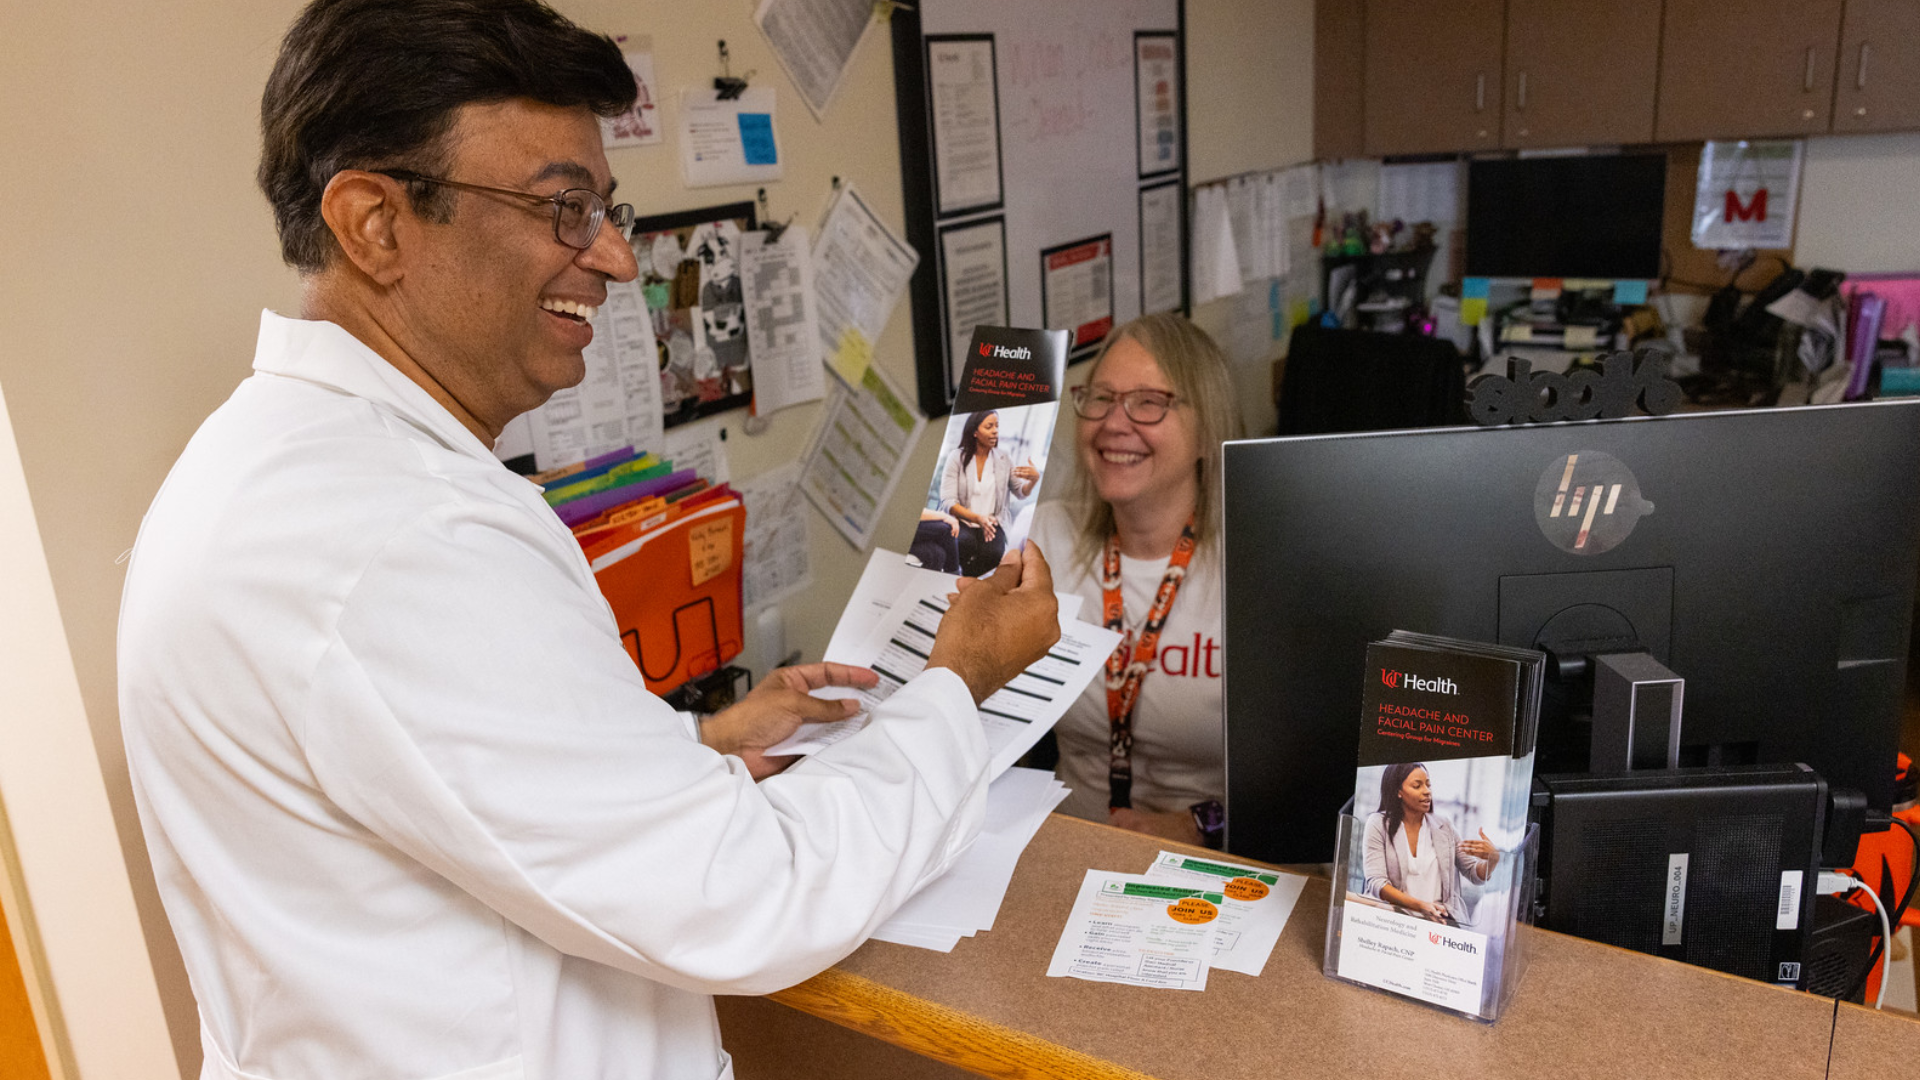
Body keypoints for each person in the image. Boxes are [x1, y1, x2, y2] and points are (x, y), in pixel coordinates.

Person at [115, 3, 1059, 1078]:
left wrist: (688, 748)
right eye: (563, 207)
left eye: (607, 208)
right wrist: (955, 684)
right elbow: (749, 896)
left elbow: (437, 781)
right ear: (375, 223)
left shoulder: (261, 464)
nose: (613, 258)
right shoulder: (398, 534)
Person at [1027, 314, 1243, 846]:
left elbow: (1319, 778)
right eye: (1100, 398)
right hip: (1064, 849)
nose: (1114, 423)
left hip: (1223, 862)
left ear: (1205, 430)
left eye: (1149, 402)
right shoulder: (1040, 538)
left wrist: (1203, 825)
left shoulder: (1259, 565)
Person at [1361, 762, 1501, 923]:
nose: (1427, 791)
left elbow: (1474, 874)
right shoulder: (1378, 823)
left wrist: (1492, 860)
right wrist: (1420, 906)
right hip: (1393, 920)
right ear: (1398, 791)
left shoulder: (1444, 826)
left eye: (1428, 785)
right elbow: (1377, 883)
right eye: (1417, 786)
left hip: (1438, 921)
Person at [938, 409, 1040, 576]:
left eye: (997, 426)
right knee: (964, 544)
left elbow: (1020, 492)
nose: (995, 431)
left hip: (993, 524)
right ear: (975, 432)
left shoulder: (1003, 459)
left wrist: (1033, 480)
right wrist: (978, 518)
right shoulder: (956, 457)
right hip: (963, 520)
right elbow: (948, 502)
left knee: (993, 554)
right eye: (989, 426)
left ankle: (968, 582)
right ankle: (954, 577)